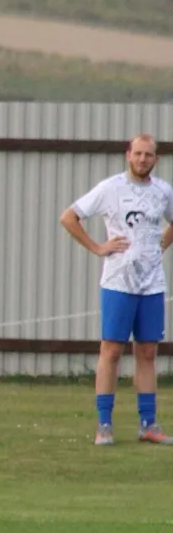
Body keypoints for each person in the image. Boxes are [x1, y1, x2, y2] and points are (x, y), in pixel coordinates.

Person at [60, 134, 173, 445]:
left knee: (148, 352)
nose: (142, 160)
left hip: (151, 284)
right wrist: (98, 247)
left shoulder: (163, 192)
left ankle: (148, 424)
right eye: (137, 154)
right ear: (128, 155)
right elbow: (69, 217)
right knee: (111, 350)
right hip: (118, 282)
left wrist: (159, 245)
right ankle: (104, 424)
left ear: (156, 159)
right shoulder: (111, 188)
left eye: (148, 155)